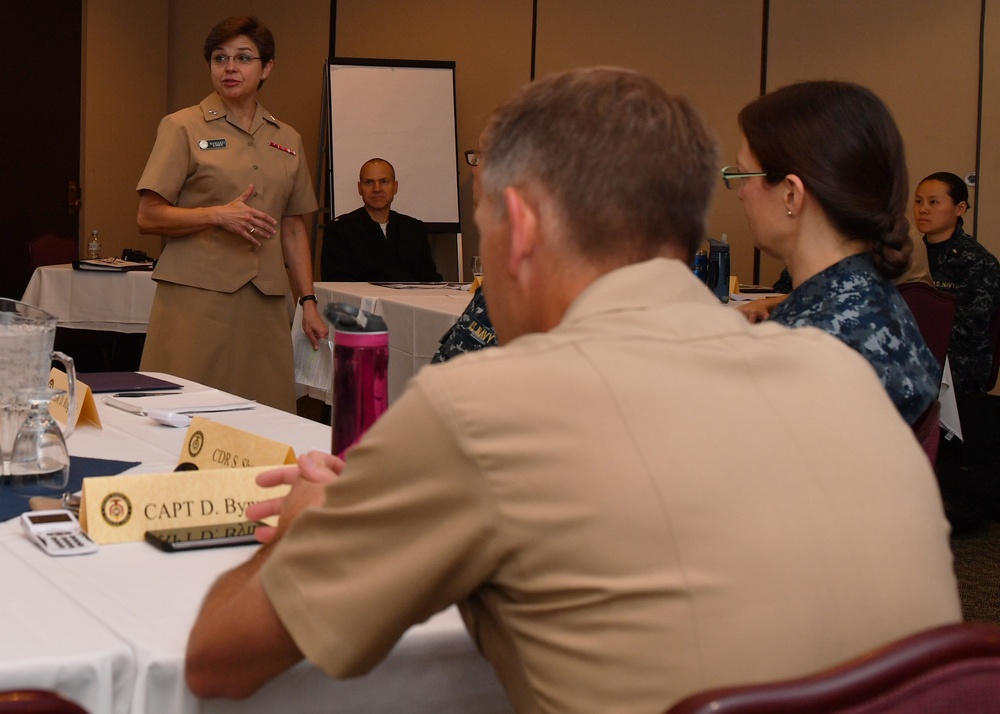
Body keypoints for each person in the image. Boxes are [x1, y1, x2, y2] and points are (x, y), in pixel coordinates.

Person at [184, 68, 960, 712]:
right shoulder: (840, 378)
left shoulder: (485, 410)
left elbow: (215, 664)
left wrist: (312, 522)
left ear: (517, 225)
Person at [136, 16, 326, 413]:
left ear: (266, 68)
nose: (230, 68)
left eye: (243, 58)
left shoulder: (288, 138)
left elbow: (293, 228)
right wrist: (217, 216)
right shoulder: (182, 126)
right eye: (220, 58)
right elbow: (149, 217)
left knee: (267, 417)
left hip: (266, 301)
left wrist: (307, 300)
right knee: (185, 415)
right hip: (196, 301)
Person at [728, 80, 939, 425]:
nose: (740, 193)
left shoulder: (811, 350)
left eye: (743, 174)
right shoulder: (872, 298)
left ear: (791, 195)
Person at [915, 171, 1000, 396]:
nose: (923, 209)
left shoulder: (977, 261)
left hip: (956, 368)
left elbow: (969, 330)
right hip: (915, 355)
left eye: (933, 202)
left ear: (959, 209)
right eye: (918, 201)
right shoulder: (908, 254)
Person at [320, 158, 443, 282]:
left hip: (410, 300)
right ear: (359, 188)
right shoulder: (340, 231)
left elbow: (430, 280)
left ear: (395, 187)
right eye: (369, 182)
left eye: (384, 181)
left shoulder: (414, 230)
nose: (377, 189)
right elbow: (338, 283)